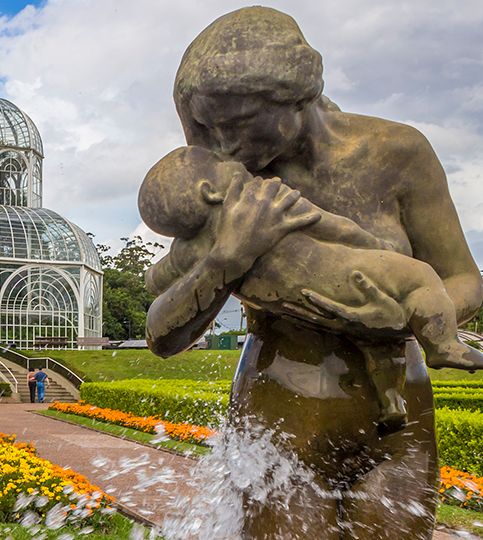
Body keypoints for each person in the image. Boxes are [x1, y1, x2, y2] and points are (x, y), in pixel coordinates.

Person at [144, 7, 483, 539]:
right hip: (278, 419)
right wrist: (227, 258)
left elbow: (464, 279)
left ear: (295, 96)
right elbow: (162, 333)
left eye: (234, 124)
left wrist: (396, 317)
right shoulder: (229, 191)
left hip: (395, 416)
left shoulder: (398, 152)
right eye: (205, 128)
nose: (221, 147)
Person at [140, 145, 483, 429]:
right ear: (210, 191)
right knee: (420, 280)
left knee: (381, 338)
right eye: (221, 164)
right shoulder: (270, 197)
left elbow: (160, 275)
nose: (231, 158)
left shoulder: (398, 149)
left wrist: (397, 324)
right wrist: (228, 258)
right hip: (293, 375)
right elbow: (334, 227)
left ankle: (395, 397)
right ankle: (438, 348)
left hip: (347, 321)